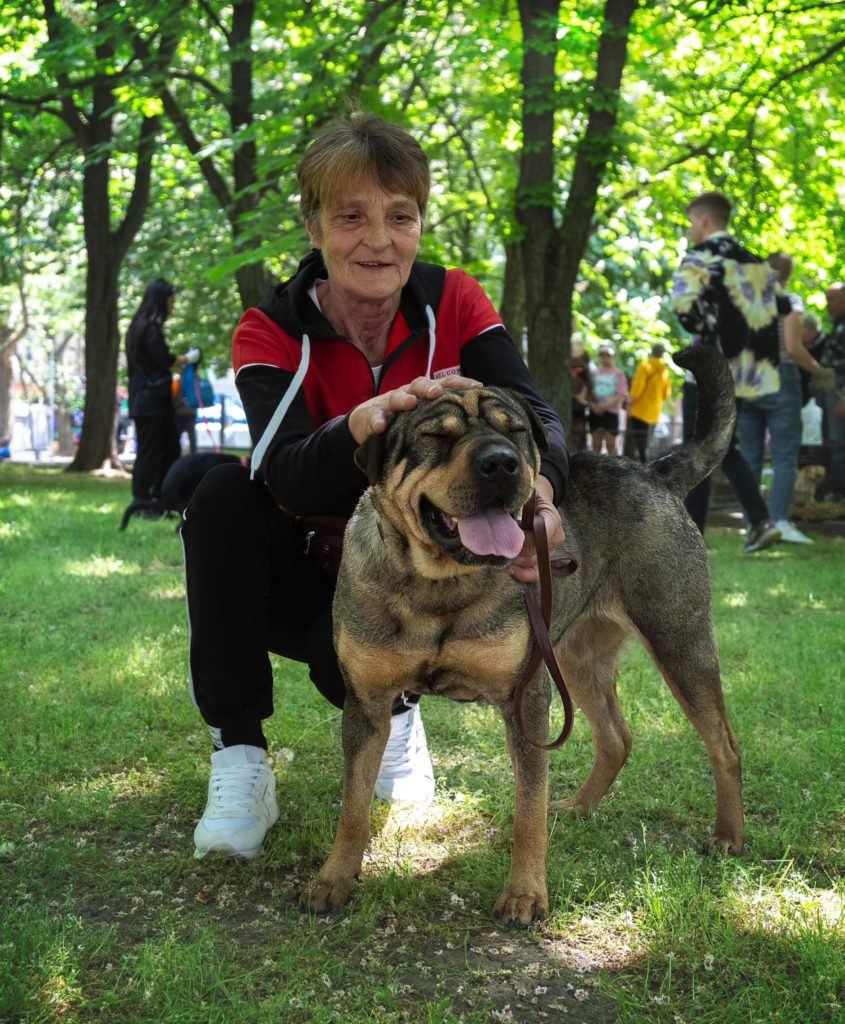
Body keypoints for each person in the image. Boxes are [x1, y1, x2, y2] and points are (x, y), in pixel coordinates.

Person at [181, 112, 569, 861]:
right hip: (304, 566)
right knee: (218, 494)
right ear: (314, 224)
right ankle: (238, 756)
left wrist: (542, 496)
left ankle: (396, 713)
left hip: (409, 570)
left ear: (420, 223)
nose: (378, 240)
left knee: (348, 678)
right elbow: (282, 466)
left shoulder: (453, 300)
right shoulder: (269, 326)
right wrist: (360, 422)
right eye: (350, 217)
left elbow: (539, 416)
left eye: (400, 216)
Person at [671, 191, 787, 553]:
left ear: (704, 220)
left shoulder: (700, 257)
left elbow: (685, 310)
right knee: (719, 446)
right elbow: (771, 317)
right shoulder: (754, 262)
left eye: (692, 222)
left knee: (702, 448)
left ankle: (693, 537)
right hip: (745, 376)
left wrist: (707, 332)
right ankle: (758, 520)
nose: (691, 230)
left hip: (707, 370)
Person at [736, 252, 835, 545]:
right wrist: (820, 371)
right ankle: (779, 521)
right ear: (788, 275)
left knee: (750, 458)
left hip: (748, 381)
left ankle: (754, 524)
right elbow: (792, 348)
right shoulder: (790, 302)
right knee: (784, 457)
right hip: (780, 382)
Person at [125, 279, 199, 509]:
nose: (173, 306)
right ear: (161, 301)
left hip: (148, 398)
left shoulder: (139, 325)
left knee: (165, 447)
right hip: (151, 400)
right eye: (171, 301)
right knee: (153, 450)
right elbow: (163, 359)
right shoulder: (149, 328)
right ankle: (144, 500)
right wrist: (186, 359)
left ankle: (159, 496)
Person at [818, 282, 845, 500]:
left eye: (832, 299)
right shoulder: (838, 324)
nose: (828, 305)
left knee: (838, 444)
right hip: (831, 389)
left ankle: (839, 494)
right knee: (832, 442)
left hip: (840, 391)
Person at [623, 343, 671, 462]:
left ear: (651, 352)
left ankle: (644, 466)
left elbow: (637, 388)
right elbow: (666, 395)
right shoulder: (665, 370)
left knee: (640, 441)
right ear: (662, 354)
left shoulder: (645, 366)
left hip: (640, 410)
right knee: (647, 442)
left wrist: (629, 401)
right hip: (654, 412)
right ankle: (646, 465)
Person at [588, 342, 627, 454]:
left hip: (611, 412)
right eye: (602, 355)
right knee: (596, 444)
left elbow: (621, 394)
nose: (605, 358)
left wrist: (604, 407)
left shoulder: (619, 374)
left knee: (610, 444)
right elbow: (589, 391)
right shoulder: (594, 373)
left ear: (613, 356)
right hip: (594, 411)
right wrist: (594, 406)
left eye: (607, 355)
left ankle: (613, 467)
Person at [570, 349, 593, 452]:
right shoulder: (569, 374)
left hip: (578, 412)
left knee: (579, 436)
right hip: (570, 409)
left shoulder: (584, 375)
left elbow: (586, 392)